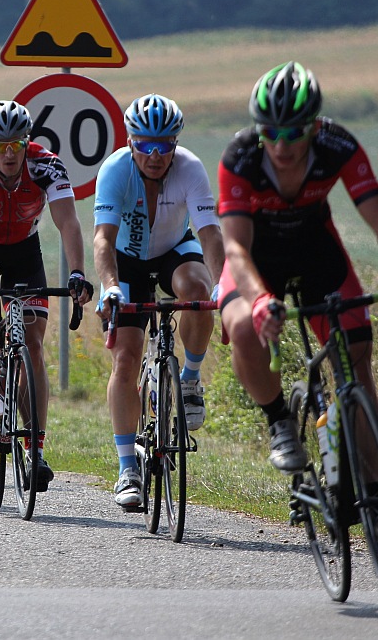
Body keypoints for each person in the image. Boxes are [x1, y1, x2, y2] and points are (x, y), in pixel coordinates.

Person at [217, 61, 378, 555]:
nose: (282, 144)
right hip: (255, 258)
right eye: (271, 132)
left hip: (315, 250)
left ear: (314, 126)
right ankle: (278, 422)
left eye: (294, 132)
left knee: (355, 368)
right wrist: (262, 299)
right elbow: (235, 249)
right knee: (245, 327)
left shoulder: (338, 146)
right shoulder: (241, 157)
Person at [0, 100, 93, 492]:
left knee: (33, 346)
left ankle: (37, 449)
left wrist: (78, 271)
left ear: (27, 142)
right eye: (0, 146)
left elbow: (68, 222)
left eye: (16, 145)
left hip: (26, 253)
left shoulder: (47, 165)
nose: (9, 154)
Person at [92, 94, 223, 508]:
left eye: (164, 145)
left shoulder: (190, 168)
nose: (154, 154)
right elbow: (103, 239)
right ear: (130, 141)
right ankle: (127, 466)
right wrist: (110, 286)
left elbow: (209, 234)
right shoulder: (114, 169)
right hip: (126, 264)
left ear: (175, 144)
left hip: (172, 251)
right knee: (126, 359)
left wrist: (224, 285)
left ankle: (189, 380)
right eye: (145, 144)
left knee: (198, 292)